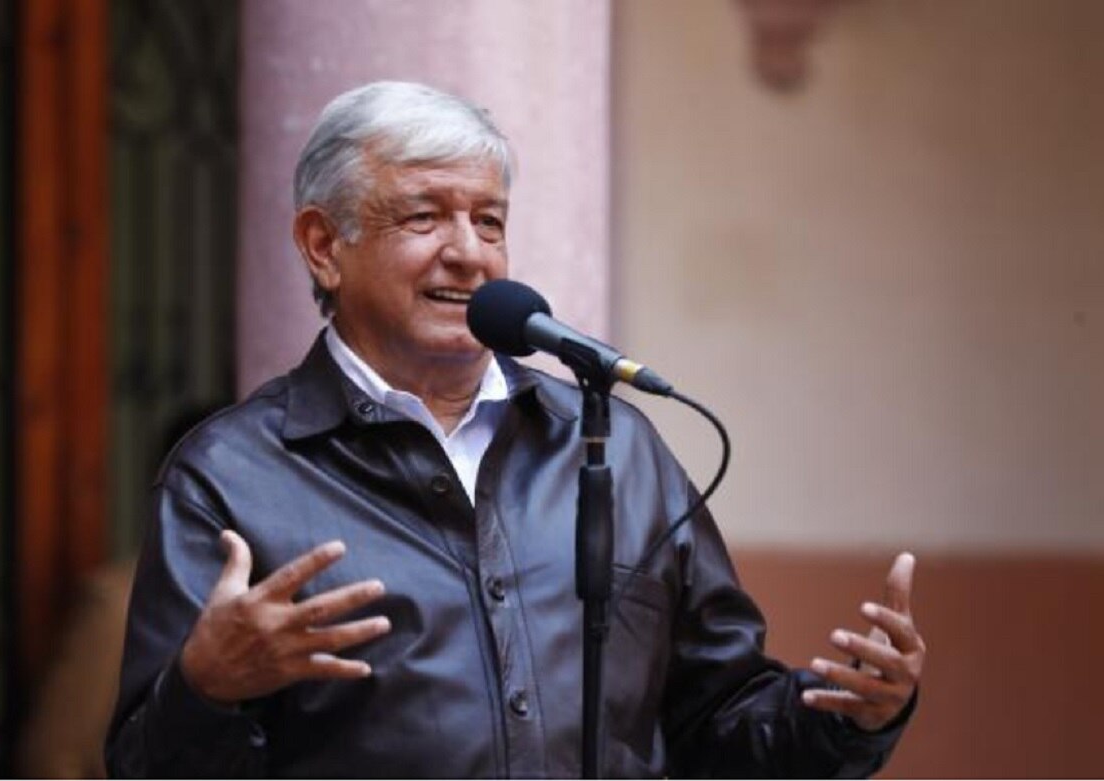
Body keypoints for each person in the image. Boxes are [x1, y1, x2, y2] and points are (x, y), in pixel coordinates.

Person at [105, 81, 924, 778]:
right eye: (424, 217)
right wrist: (204, 686)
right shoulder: (234, 477)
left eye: (490, 222)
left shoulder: (616, 449)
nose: (470, 254)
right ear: (324, 246)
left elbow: (718, 718)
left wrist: (844, 713)